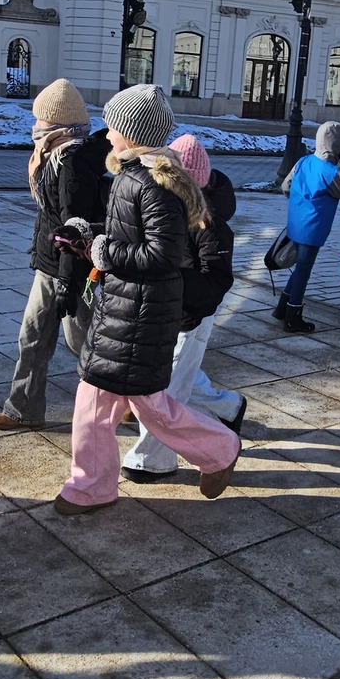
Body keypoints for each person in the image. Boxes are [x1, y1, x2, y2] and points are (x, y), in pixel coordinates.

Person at [54, 84, 240, 513]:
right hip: (125, 308)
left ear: (132, 134)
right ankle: (92, 486)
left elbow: (162, 255)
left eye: (112, 126)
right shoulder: (134, 176)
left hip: (141, 314)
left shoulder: (152, 184)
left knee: (149, 408)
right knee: (102, 404)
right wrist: (86, 233)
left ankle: (220, 449)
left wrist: (102, 252)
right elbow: (128, 234)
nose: (106, 133)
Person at [123, 133, 245, 479]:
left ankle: (153, 459)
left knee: (169, 389)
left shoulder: (211, 225)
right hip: (161, 311)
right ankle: (228, 406)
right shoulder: (165, 209)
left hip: (191, 317)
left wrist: (171, 280)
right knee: (179, 375)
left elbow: (216, 280)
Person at [0, 78, 109, 434]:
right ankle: (23, 409)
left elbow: (74, 230)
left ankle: (128, 399)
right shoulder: (53, 157)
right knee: (34, 336)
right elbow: (52, 219)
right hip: (51, 265)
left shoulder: (71, 165)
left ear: (58, 124)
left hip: (69, 270)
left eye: (40, 120)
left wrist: (68, 283)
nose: (35, 127)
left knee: (83, 341)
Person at [276, 121, 340, 334]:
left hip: (296, 223)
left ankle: (282, 308)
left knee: (300, 267)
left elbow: (286, 187)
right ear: (338, 146)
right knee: (303, 270)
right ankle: (292, 317)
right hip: (313, 228)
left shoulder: (304, 161)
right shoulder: (331, 172)